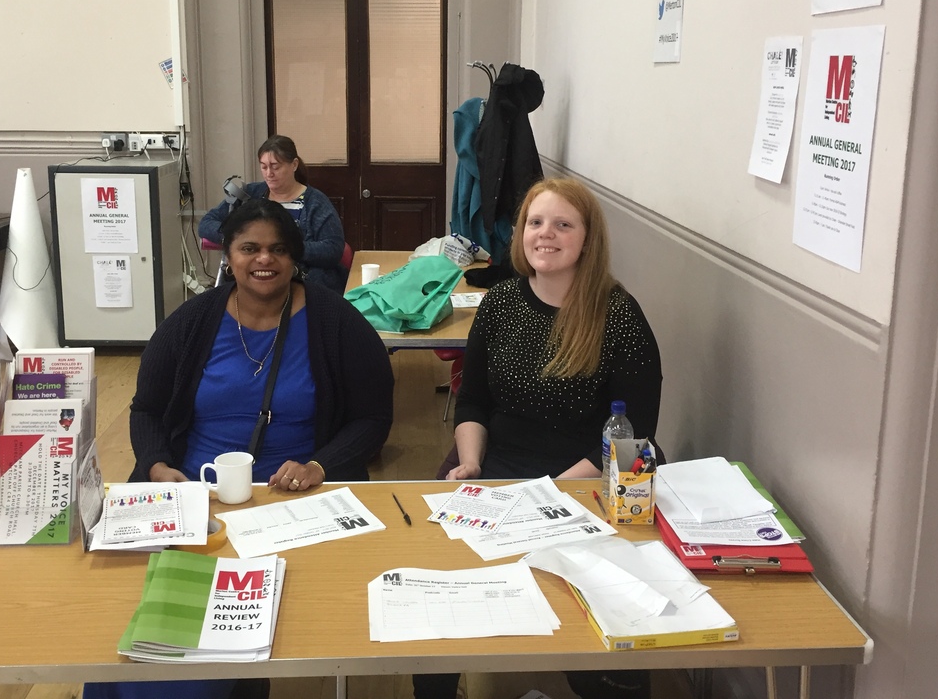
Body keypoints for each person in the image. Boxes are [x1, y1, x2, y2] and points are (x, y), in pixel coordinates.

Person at [86, 198, 393, 699]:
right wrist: (158, 464)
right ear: (228, 254)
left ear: (295, 257)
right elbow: (146, 409)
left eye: (277, 249)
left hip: (290, 502)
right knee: (130, 649)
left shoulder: (334, 320)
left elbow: (373, 417)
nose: (263, 260)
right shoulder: (193, 321)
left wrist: (321, 464)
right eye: (249, 248)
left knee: (215, 645)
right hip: (194, 500)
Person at [416, 177, 662, 699]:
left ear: (587, 239)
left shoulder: (619, 315)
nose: (545, 234)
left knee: (603, 632)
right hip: (496, 463)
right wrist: (469, 463)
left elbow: (633, 438)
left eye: (562, 224)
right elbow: (474, 401)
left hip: (584, 480)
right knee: (439, 580)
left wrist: (546, 494)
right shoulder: (500, 302)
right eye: (535, 222)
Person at [199, 135, 347, 293]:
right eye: (264, 167)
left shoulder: (315, 203)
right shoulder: (249, 194)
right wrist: (234, 239)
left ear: (294, 165)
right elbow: (207, 222)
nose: (269, 173)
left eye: (275, 167)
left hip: (300, 284)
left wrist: (287, 248)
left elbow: (333, 249)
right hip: (251, 283)